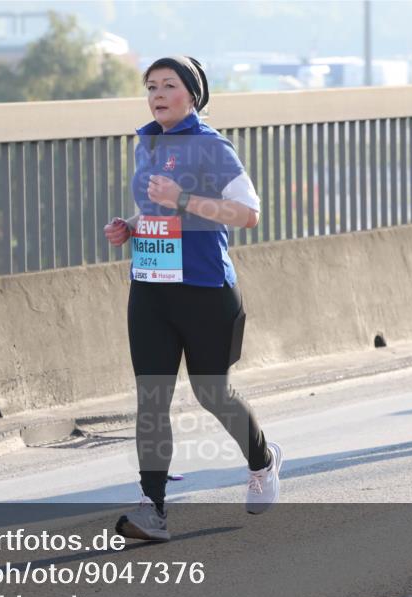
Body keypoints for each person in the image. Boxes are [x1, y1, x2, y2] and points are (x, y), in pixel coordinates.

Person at [103, 56, 282, 541]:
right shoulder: (148, 144)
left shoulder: (211, 147)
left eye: (169, 85)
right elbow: (158, 211)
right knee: (151, 397)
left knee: (211, 392)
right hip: (151, 289)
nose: (158, 93)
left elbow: (248, 214)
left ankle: (262, 460)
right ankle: (152, 509)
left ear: (193, 95)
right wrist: (132, 226)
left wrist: (182, 198)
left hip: (205, 291)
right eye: (151, 86)